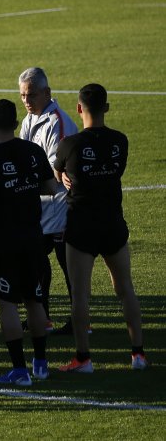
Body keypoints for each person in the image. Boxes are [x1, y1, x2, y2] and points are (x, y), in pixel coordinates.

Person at [53, 84, 147, 373]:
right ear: (107, 107)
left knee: (80, 295)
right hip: (113, 225)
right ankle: (138, 355)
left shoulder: (70, 144)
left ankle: (83, 359)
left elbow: (58, 173)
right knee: (125, 290)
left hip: (81, 227)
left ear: (79, 109)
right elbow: (116, 172)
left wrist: (68, 176)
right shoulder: (121, 140)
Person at [0, 99, 59, 386]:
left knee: (8, 302)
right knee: (34, 299)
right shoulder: (33, 150)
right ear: (14, 124)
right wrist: (25, 186)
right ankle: (41, 363)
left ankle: (19, 370)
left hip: (3, 240)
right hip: (34, 236)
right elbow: (51, 187)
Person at [18, 67, 78, 335]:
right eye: (22, 95)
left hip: (61, 209)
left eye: (31, 95)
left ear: (47, 93)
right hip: (39, 208)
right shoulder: (30, 119)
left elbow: (57, 171)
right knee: (35, 263)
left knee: (69, 268)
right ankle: (42, 318)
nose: (26, 101)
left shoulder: (58, 122)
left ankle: (80, 321)